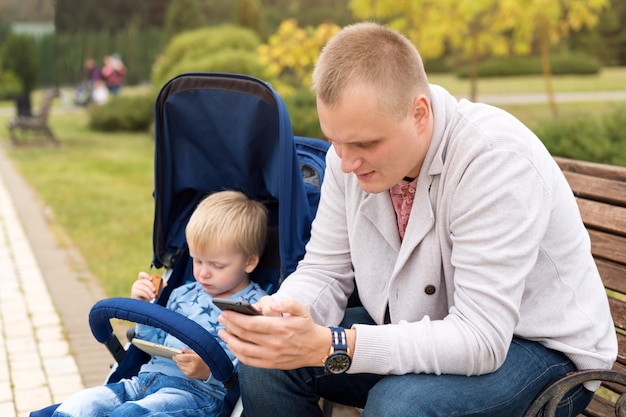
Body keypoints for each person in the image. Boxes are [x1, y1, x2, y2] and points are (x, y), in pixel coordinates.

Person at [217, 22, 618, 417]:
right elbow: (324, 269)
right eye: (336, 141)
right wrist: (284, 316)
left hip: (539, 349)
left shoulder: (495, 161)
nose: (347, 161)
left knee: (401, 403)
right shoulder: (346, 161)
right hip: (428, 321)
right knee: (267, 362)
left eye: (366, 143)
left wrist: (332, 344)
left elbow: (480, 338)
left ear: (420, 114)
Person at [50, 190, 268, 417]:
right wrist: (146, 307)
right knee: (79, 405)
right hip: (145, 379)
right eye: (197, 260)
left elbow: (252, 371)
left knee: (128, 414)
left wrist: (206, 371)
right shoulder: (182, 293)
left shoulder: (256, 307)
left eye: (217, 265)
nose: (203, 273)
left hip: (197, 392)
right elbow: (149, 344)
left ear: (250, 262)